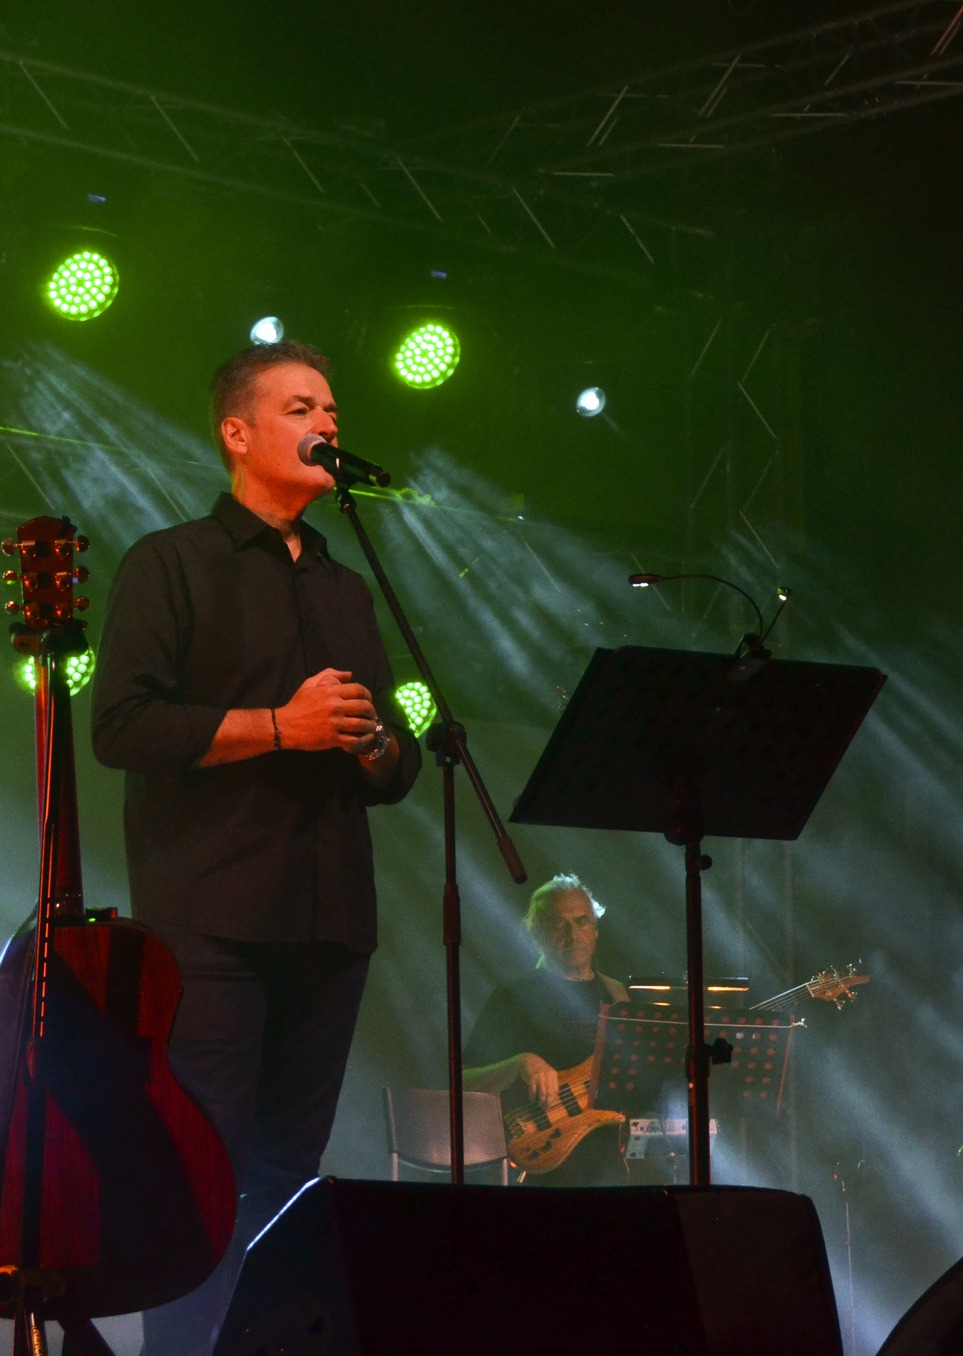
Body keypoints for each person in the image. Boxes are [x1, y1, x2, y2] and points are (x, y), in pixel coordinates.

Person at [92, 339, 422, 1355]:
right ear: (237, 433)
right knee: (204, 1172)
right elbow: (123, 727)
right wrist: (281, 725)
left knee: (289, 1180)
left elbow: (395, 765)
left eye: (331, 408)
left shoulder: (346, 586)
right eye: (300, 407)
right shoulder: (170, 563)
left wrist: (374, 746)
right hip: (213, 920)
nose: (327, 422)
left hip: (329, 918)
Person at [462, 874, 632, 1186]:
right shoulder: (513, 998)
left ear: (595, 929)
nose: (573, 934)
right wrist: (519, 1064)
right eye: (558, 924)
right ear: (537, 935)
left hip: (608, 1169)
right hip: (538, 1171)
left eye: (582, 921)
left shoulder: (618, 997)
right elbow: (463, 1083)